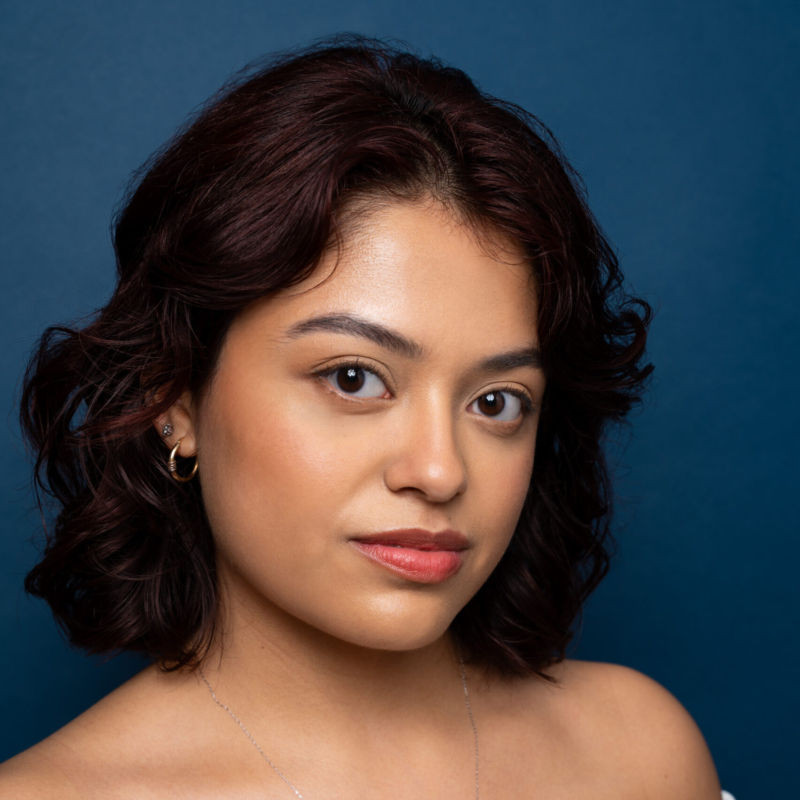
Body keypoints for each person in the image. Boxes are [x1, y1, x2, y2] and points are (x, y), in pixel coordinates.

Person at [0, 35, 731, 799]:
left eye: (496, 402)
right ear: (175, 399)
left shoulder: (639, 755)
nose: (440, 471)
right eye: (354, 378)